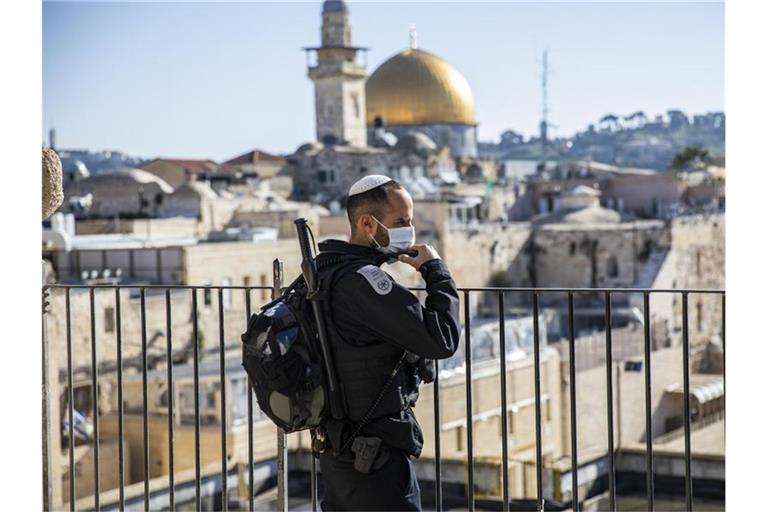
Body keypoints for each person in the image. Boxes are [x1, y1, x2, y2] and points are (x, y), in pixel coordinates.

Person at [314, 175, 461, 511]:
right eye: (402, 222)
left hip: (339, 451)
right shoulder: (365, 281)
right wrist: (436, 271)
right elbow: (442, 339)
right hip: (375, 461)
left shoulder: (325, 272)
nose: (409, 230)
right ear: (368, 223)